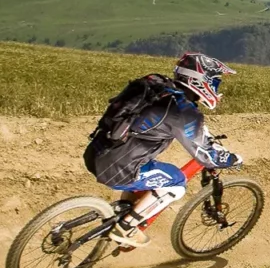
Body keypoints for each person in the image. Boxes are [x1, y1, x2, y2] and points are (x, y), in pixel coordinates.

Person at [83, 53, 244, 250]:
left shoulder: (158, 87)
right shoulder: (184, 112)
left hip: (97, 150)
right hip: (117, 168)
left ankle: (125, 210)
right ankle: (126, 227)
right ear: (200, 81)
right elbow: (207, 156)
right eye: (215, 82)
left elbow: (183, 126)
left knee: (149, 167)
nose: (216, 88)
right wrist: (232, 159)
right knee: (176, 182)